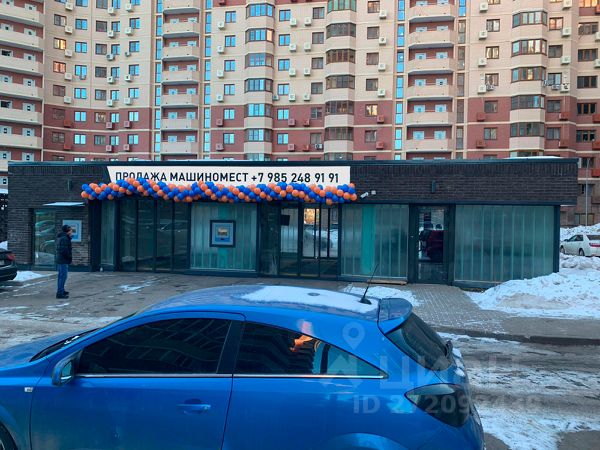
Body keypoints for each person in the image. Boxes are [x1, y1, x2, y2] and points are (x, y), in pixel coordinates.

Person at [56, 224, 73, 299]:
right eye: (70, 230)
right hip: (63, 260)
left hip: (61, 259)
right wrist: (69, 257)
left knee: (61, 276)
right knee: (63, 276)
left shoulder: (63, 237)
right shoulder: (64, 238)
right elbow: (64, 250)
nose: (71, 231)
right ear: (68, 231)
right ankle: (60, 293)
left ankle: (61, 290)